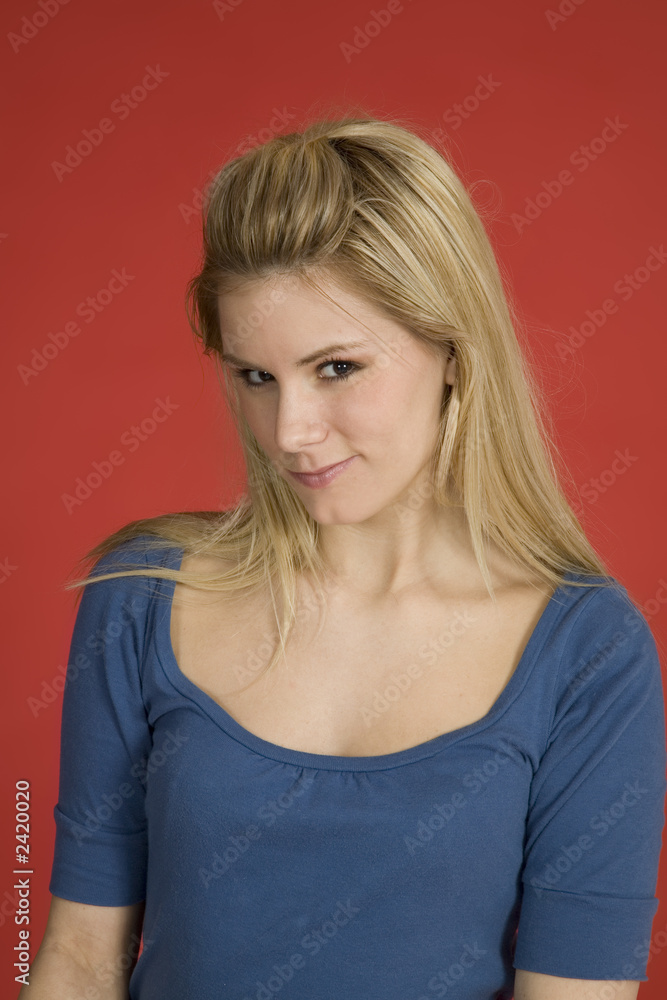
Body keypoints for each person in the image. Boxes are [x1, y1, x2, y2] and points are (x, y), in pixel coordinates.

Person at [22, 113, 666, 1000]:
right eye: (255, 376)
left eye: (335, 368)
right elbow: (77, 960)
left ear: (453, 350)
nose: (289, 431)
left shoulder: (587, 652)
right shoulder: (142, 596)